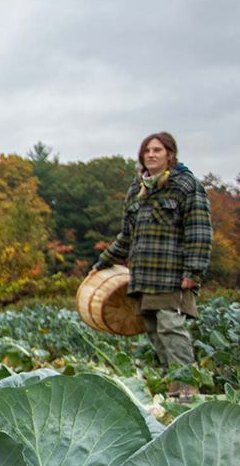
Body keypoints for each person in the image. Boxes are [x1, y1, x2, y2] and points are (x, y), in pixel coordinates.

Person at [90, 132, 212, 402]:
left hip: (172, 276)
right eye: (147, 150)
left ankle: (188, 392)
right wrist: (102, 263)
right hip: (143, 276)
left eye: (157, 150)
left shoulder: (186, 186)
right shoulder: (137, 188)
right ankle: (173, 388)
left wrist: (193, 273)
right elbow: (126, 236)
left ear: (170, 154)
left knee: (172, 329)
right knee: (156, 333)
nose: (151, 154)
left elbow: (199, 232)